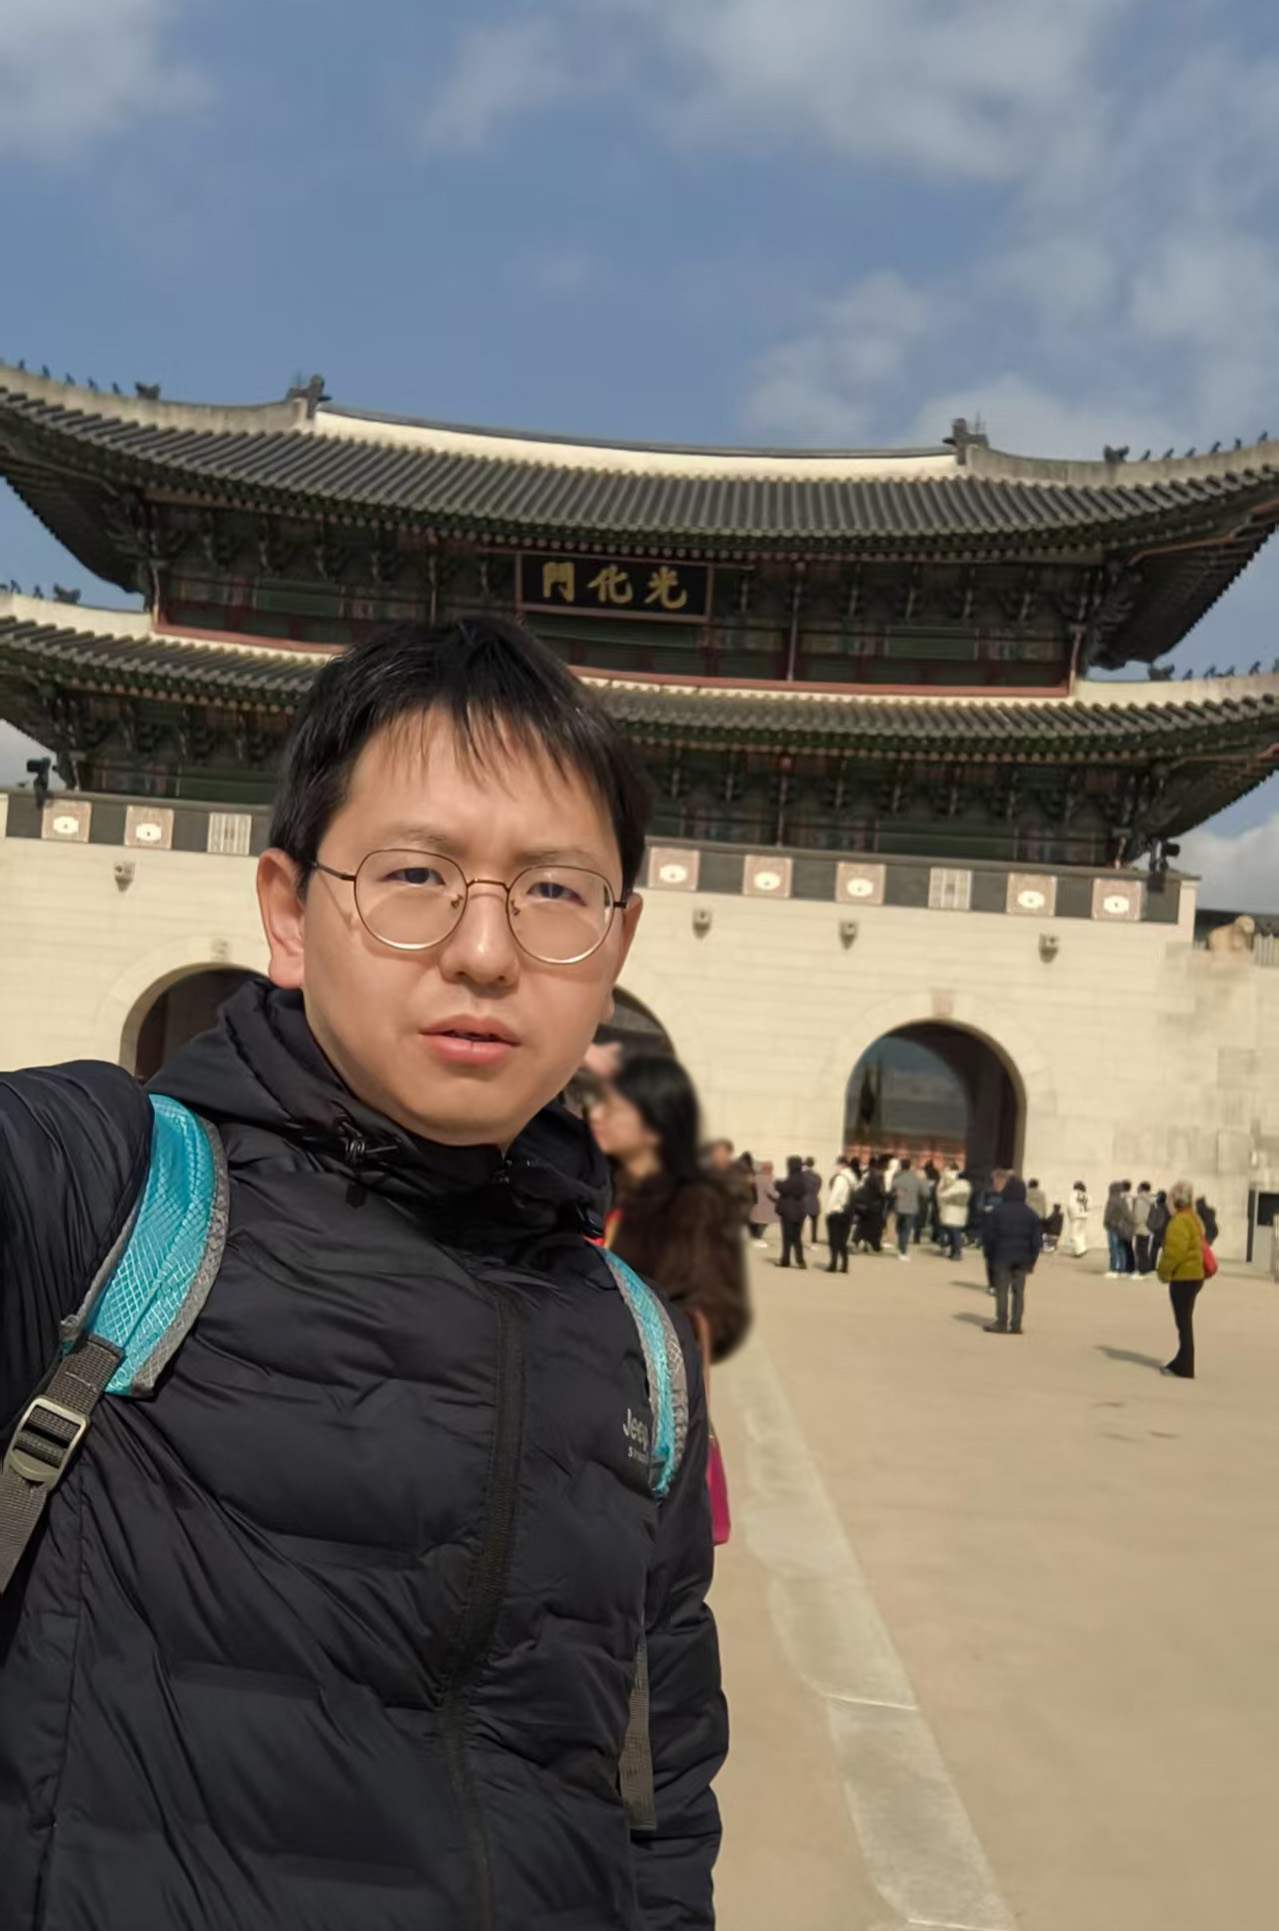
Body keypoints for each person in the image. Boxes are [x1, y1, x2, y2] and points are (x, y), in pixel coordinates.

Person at [0, 618, 726, 1931]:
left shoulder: (641, 1347)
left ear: (617, 944)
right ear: (288, 914)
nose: (485, 949)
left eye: (555, 889)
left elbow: (659, 1798)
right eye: (415, 872)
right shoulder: (100, 1195)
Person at [590, 1054, 752, 1547]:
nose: (597, 1114)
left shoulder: (692, 1204)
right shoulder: (600, 1187)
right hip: (592, 1388)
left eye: (613, 1107)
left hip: (644, 1408)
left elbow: (707, 1317)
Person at [1157, 1180, 1207, 1378]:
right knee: (1185, 1322)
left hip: (1184, 1277)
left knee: (1183, 1323)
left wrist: (1163, 1272)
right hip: (1195, 1275)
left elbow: (1174, 1252)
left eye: (1170, 1198)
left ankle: (1185, 1365)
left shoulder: (1178, 1222)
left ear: (1176, 1201)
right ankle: (1182, 1360)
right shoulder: (1193, 1218)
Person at [983, 1176, 1043, 1334]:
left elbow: (989, 1237)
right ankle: (1016, 1324)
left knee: (1002, 1290)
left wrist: (989, 1256)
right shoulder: (1031, 1214)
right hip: (1023, 1258)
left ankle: (1001, 1322)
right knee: (1018, 1292)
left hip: (1001, 1256)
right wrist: (1032, 1261)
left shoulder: (997, 1211)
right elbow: (1036, 1242)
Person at [773, 1154, 811, 1268]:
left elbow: (783, 1187)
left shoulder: (793, 1178)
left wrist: (776, 1183)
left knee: (787, 1238)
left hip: (789, 1212)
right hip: (800, 1212)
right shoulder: (803, 1179)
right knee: (797, 1238)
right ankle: (801, 1261)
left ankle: (785, 1260)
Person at [891, 1156, 925, 1261]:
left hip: (899, 1207)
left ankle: (900, 1246)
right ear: (910, 1166)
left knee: (899, 1228)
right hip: (911, 1207)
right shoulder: (916, 1179)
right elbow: (924, 1193)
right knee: (906, 1230)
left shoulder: (897, 1178)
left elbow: (891, 1191)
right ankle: (903, 1250)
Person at [936, 1164, 972, 1261]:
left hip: (951, 1211)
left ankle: (956, 1252)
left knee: (954, 1233)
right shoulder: (965, 1185)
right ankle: (954, 1252)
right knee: (954, 1233)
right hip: (957, 1211)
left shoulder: (956, 1184)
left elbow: (943, 1195)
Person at [825, 1156, 855, 1272]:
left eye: (836, 1164)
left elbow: (835, 1195)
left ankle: (833, 1264)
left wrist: (828, 1210)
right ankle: (844, 1265)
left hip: (836, 1211)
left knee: (833, 1239)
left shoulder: (840, 1178)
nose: (835, 1167)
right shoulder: (852, 1178)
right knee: (842, 1240)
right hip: (848, 1212)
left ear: (842, 1165)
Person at [1104, 1180, 1135, 1277]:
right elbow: (1128, 1215)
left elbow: (1108, 1215)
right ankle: (1122, 1268)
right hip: (1121, 1227)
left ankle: (1113, 1269)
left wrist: (1107, 1223)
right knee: (1121, 1248)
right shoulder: (1122, 1201)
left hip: (1113, 1227)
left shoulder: (1112, 1200)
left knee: (1113, 1248)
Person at [753, 1159, 778, 1247]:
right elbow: (771, 1192)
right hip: (765, 1205)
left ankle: (756, 1237)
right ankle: (757, 1239)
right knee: (763, 1222)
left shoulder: (756, 1177)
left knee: (757, 1221)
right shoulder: (767, 1178)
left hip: (756, 1204)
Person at [1133, 1181, 1154, 1275]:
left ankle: (1141, 1269)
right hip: (1148, 1228)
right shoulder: (1151, 1200)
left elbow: (1138, 1216)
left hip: (1141, 1227)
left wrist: (1134, 1223)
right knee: (1145, 1249)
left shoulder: (1140, 1200)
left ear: (1141, 1188)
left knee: (1140, 1250)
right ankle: (1145, 1268)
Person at [1066, 1181, 1090, 1257]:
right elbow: (1089, 1206)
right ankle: (1083, 1248)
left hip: (1076, 1216)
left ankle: (1079, 1251)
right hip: (1084, 1216)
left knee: (1074, 1235)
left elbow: (1070, 1206)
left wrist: (1070, 1216)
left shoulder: (1073, 1194)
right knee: (1081, 1234)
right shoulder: (1087, 1196)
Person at [1148, 1186, 1170, 1269]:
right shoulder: (1168, 1209)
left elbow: (1152, 1220)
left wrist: (1152, 1229)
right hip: (1166, 1234)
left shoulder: (1156, 1208)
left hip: (1157, 1233)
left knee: (1153, 1252)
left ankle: (1151, 1267)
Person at [802, 1155, 822, 1243]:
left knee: (800, 1223)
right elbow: (818, 1188)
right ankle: (814, 1241)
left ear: (805, 1164)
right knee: (814, 1223)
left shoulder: (801, 1175)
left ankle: (797, 1240)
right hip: (814, 1201)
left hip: (803, 1202)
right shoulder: (818, 1176)